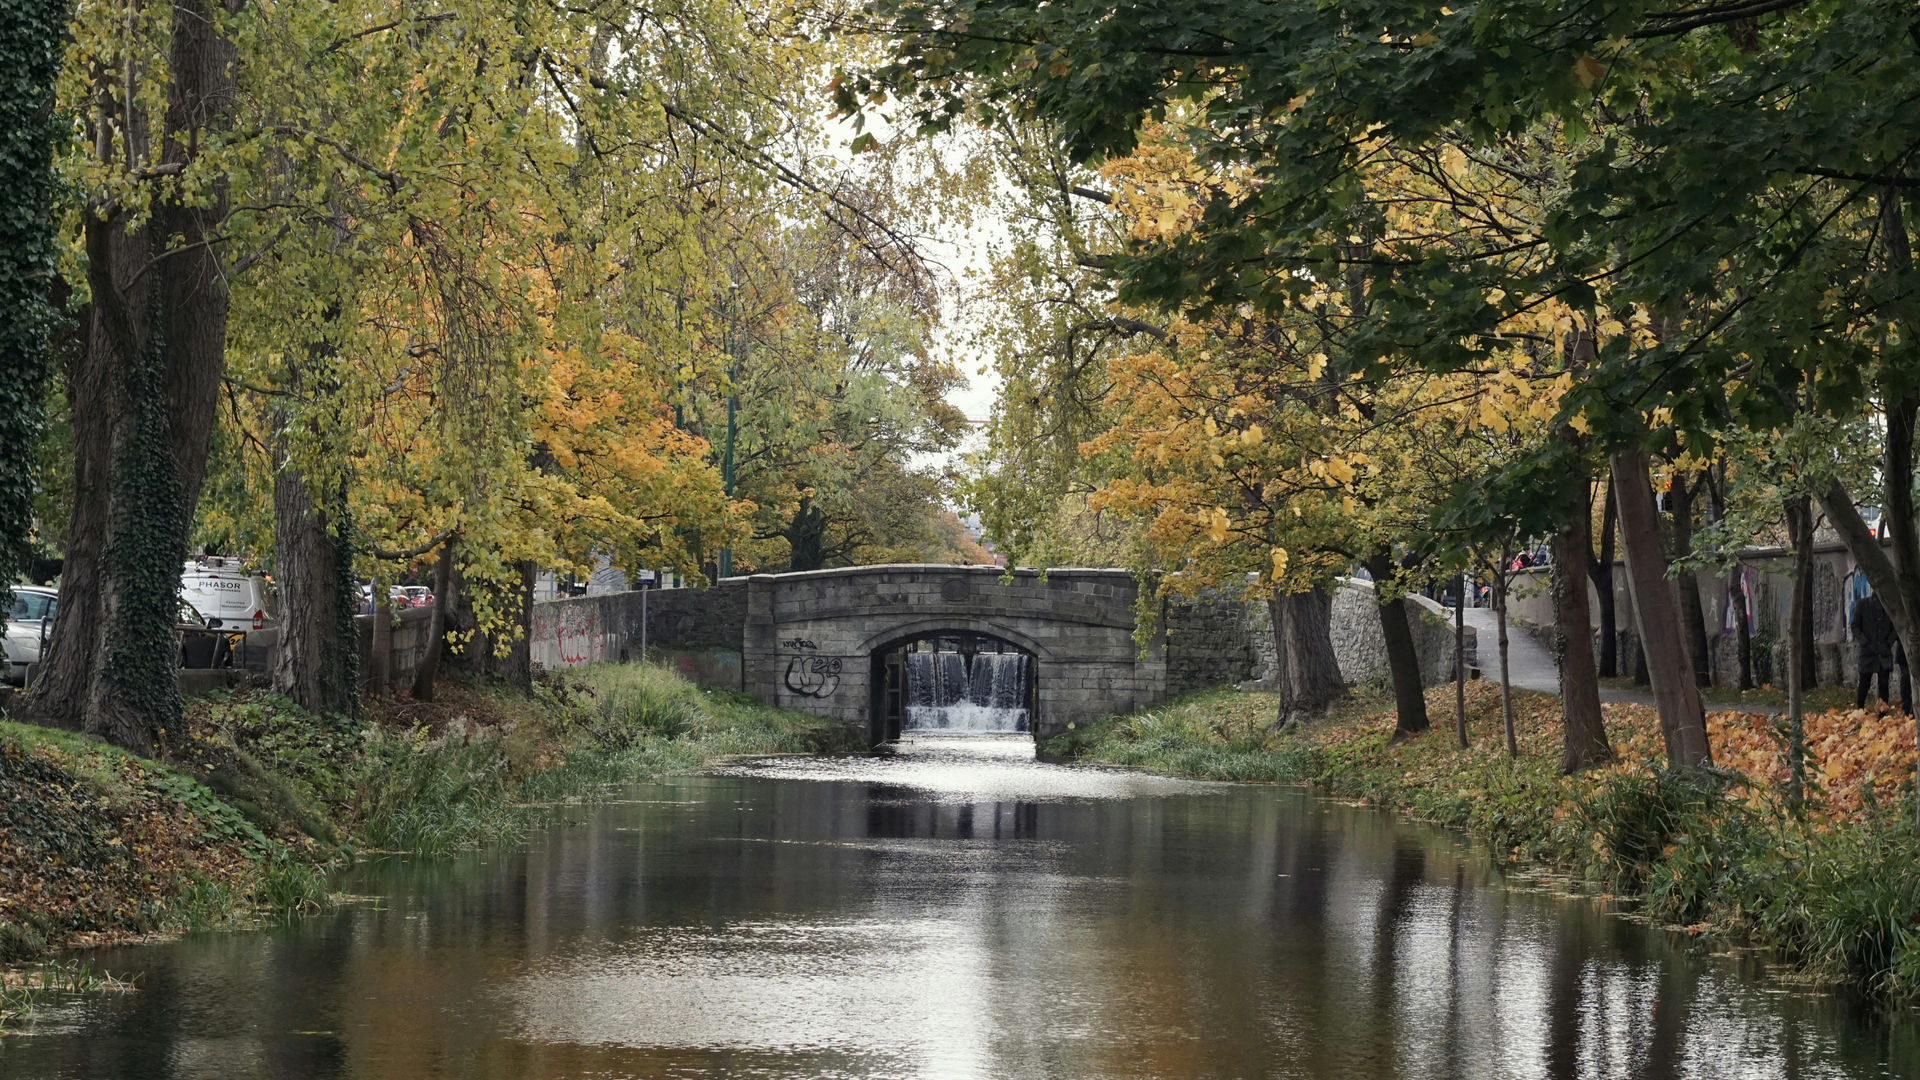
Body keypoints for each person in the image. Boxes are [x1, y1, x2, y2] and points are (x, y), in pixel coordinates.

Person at [1851, 592, 1898, 708]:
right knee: (1864, 683)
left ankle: (1883, 712)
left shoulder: (1890, 606)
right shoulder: (1862, 604)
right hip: (1868, 651)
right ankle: (1860, 708)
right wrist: (1864, 642)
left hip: (1883, 651)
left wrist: (1888, 643)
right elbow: (1855, 626)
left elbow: (1896, 627)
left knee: (1883, 683)